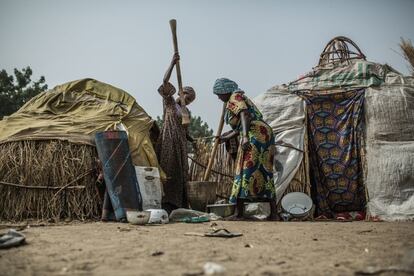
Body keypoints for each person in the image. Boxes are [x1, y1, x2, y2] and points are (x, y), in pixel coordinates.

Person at [214, 78, 277, 220]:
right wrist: (228, 136)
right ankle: (274, 213)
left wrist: (244, 138)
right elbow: (242, 124)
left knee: (245, 170)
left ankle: (240, 213)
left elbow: (245, 116)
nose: (218, 97)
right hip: (262, 133)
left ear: (225, 91)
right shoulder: (237, 97)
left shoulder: (234, 97)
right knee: (264, 171)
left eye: (218, 94)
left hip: (255, 135)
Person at [157, 53, 196, 213]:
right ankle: (166, 204)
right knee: (169, 170)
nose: (188, 99)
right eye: (187, 94)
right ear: (181, 92)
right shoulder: (170, 103)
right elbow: (165, 82)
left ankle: (179, 205)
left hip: (180, 146)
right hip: (168, 142)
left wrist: (192, 140)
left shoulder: (186, 112)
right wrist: (172, 63)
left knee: (180, 174)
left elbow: (184, 131)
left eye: (191, 99)